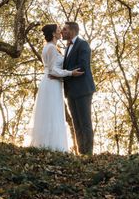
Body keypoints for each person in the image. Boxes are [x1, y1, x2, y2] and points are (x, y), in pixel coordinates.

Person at [27, 24, 83, 152]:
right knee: (51, 113)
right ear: (53, 34)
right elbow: (52, 71)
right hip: (51, 83)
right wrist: (70, 73)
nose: (61, 33)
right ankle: (50, 147)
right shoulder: (51, 48)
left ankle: (50, 146)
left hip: (53, 83)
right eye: (58, 30)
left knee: (52, 113)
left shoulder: (51, 48)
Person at [57, 21, 96, 155]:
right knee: (76, 123)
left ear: (72, 31)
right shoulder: (67, 47)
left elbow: (83, 66)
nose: (62, 31)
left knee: (85, 122)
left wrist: (66, 74)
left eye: (65, 29)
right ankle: (81, 153)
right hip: (70, 91)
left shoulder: (83, 45)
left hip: (83, 89)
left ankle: (88, 154)